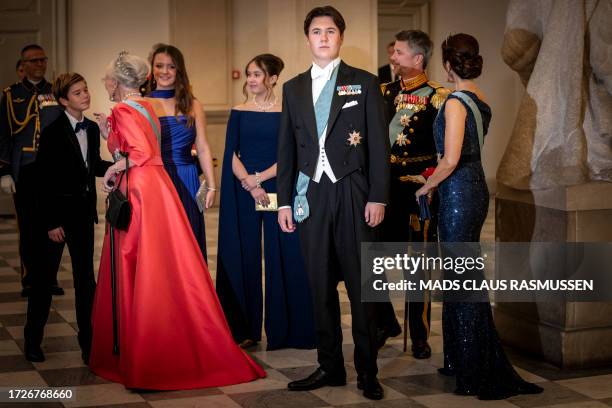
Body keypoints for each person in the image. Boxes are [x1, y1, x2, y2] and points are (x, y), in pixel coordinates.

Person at [89, 51, 265, 390]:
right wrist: (107, 134)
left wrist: (113, 168)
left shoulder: (127, 108)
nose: (106, 85)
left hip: (142, 188)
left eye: (107, 80)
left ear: (115, 81)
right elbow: (134, 149)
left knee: (144, 265)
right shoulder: (145, 106)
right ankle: (177, 332)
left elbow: (138, 154)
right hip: (157, 185)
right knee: (171, 264)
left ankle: (148, 346)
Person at [415, 33, 543, 399]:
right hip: (473, 189)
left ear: (448, 64)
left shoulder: (455, 102)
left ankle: (476, 366)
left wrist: (427, 187)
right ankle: (459, 358)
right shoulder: (480, 98)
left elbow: (451, 159)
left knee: (463, 280)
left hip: (458, 193)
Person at [277, 6, 389, 400]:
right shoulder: (291, 88)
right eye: (316, 31)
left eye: (330, 31)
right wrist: (284, 203)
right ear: (307, 38)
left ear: (340, 37)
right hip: (311, 195)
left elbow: (378, 144)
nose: (323, 37)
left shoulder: (364, 83)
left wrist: (378, 195)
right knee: (319, 285)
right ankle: (329, 366)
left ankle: (367, 372)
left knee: (362, 286)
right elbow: (287, 149)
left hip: (354, 193)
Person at [216, 54, 316, 351]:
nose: (251, 79)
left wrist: (259, 180)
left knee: (282, 253)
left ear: (273, 78)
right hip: (242, 189)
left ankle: (288, 330)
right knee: (242, 253)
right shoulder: (239, 111)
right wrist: (249, 182)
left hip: (277, 187)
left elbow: (290, 154)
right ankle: (242, 330)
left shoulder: (288, 111)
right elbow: (230, 153)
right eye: (249, 74)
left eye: (257, 74)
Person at [25, 73, 112, 363]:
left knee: (85, 281)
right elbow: (43, 182)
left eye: (85, 90)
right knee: (43, 279)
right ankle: (32, 339)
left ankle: (88, 342)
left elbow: (95, 165)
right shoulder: (52, 131)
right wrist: (51, 223)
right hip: (55, 219)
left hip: (83, 217)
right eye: (77, 93)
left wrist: (122, 164)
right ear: (63, 100)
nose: (85, 95)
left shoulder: (89, 128)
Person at [377, 30, 450, 358]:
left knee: (417, 266)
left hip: (417, 190)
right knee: (373, 259)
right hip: (382, 189)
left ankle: (419, 335)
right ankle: (382, 322)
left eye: (400, 53)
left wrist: (430, 182)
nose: (393, 57)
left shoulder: (438, 96)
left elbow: (447, 149)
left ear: (418, 59)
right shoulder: (382, 92)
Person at [0, 44, 64, 298]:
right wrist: (3, 171)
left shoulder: (56, 91)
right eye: (33, 61)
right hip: (24, 168)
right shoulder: (11, 94)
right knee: (28, 227)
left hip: (51, 169)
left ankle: (50, 277)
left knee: (53, 223)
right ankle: (30, 278)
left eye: (42, 60)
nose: (39, 64)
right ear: (23, 65)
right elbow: (3, 134)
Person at [145, 45, 215, 259]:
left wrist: (212, 185)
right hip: (156, 179)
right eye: (159, 66)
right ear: (152, 69)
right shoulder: (143, 104)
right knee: (160, 242)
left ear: (179, 71)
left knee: (189, 238)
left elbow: (202, 147)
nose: (164, 71)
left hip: (187, 177)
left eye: (171, 66)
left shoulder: (193, 105)